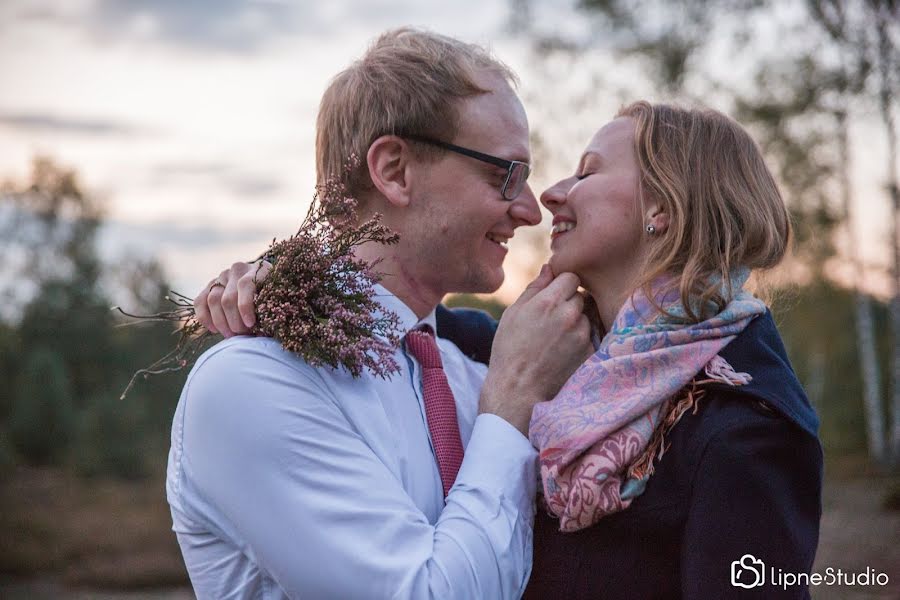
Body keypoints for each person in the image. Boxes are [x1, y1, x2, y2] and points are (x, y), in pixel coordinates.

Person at [206, 102, 823, 599]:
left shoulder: (748, 426)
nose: (551, 194)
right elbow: (406, 314)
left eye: (586, 171)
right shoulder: (577, 355)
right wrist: (281, 283)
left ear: (663, 206)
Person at [167, 28, 593, 599]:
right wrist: (513, 400)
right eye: (505, 174)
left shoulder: (473, 367)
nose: (528, 211)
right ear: (394, 170)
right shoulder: (252, 382)